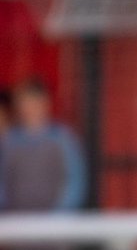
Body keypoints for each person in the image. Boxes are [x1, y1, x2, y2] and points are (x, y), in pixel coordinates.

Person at [0, 77, 86, 211]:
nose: (28, 108)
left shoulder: (63, 139)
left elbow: (74, 181)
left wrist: (59, 216)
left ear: (45, 102)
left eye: (32, 101)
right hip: (16, 223)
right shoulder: (9, 141)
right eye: (23, 102)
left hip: (53, 224)